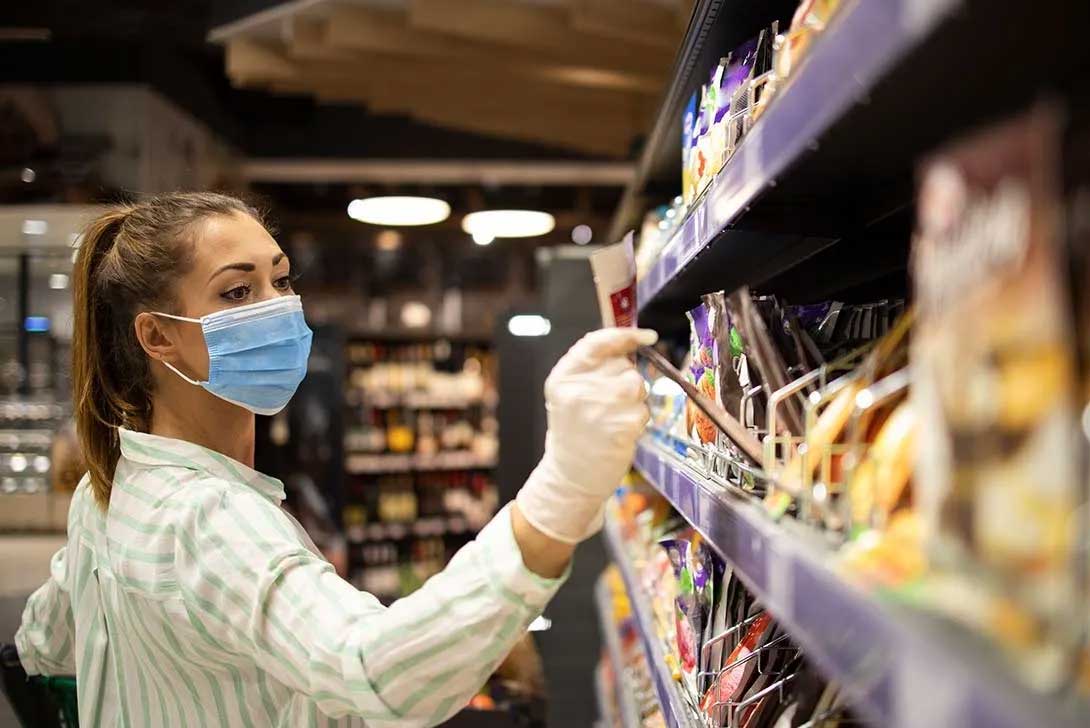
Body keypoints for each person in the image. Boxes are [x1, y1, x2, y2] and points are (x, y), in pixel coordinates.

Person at [13, 192, 656, 727]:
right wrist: (563, 490)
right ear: (157, 336)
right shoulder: (206, 517)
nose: (279, 307)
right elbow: (375, 671)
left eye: (280, 278)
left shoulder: (107, 490)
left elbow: (44, 642)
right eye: (237, 292)